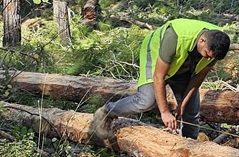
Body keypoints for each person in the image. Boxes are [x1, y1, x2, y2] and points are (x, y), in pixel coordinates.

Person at [93, 18, 231, 139]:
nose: (208, 59)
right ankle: (107, 111)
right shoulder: (175, 36)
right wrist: (164, 112)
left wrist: (182, 105)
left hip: (182, 63)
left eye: (211, 58)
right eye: (207, 54)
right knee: (146, 101)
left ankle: (190, 148)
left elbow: (197, 79)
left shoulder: (217, 45)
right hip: (155, 55)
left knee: (191, 112)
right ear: (202, 40)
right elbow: (159, 76)